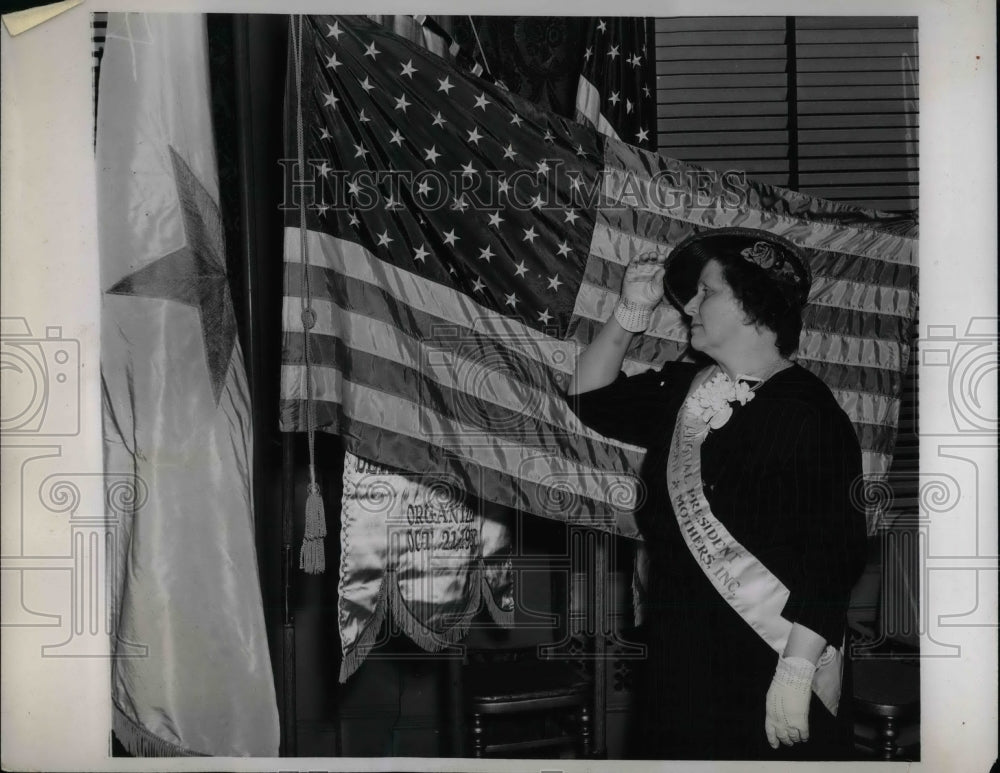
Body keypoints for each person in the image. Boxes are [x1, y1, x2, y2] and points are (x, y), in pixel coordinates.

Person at [567, 227, 868, 760]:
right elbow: (589, 398)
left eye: (707, 292)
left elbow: (834, 552)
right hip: (679, 652)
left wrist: (796, 671)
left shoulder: (807, 412)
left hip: (762, 658)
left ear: (752, 305)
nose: (687, 305)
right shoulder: (689, 389)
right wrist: (630, 311)